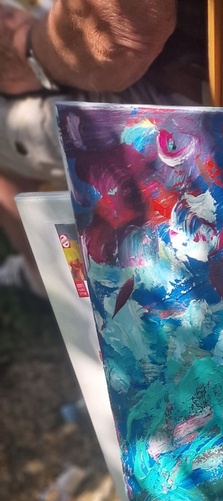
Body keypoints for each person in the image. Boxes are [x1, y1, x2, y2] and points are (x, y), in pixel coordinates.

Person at [0, 0, 178, 294]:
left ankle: (52, 280)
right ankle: (45, 273)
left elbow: (123, 34)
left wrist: (25, 48)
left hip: (176, 97)